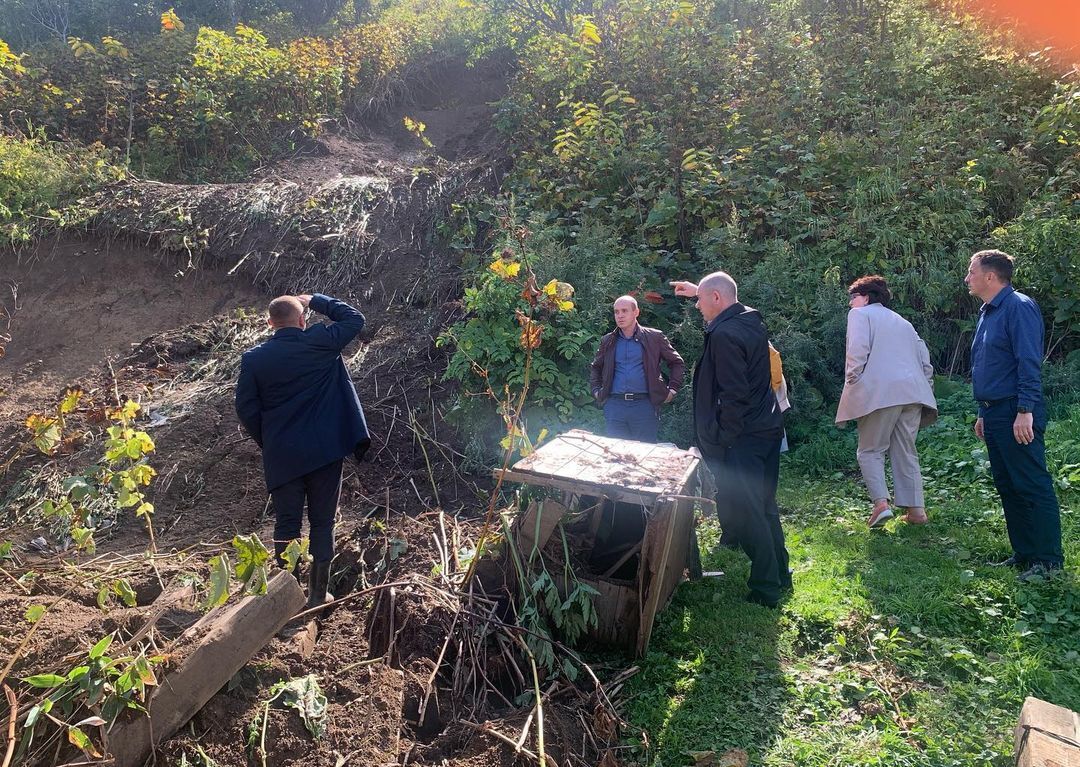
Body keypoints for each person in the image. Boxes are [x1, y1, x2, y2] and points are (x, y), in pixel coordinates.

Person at [235, 293, 371, 608]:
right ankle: (317, 596)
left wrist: (269, 440)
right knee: (323, 522)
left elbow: (245, 408)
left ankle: (287, 596)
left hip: (283, 453)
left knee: (287, 523)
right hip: (326, 450)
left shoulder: (255, 359)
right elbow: (355, 319)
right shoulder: (321, 341)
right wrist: (315, 299)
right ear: (302, 320)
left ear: (269, 324)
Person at [671, 273, 790, 607]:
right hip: (767, 430)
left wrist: (725, 439)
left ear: (717, 300)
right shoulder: (751, 321)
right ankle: (781, 575)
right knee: (764, 506)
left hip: (744, 439)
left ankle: (766, 589)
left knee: (747, 511)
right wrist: (701, 289)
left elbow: (734, 394)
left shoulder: (724, 334)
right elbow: (728, 298)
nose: (697, 307)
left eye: (701, 301)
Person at [965, 250, 1063, 579]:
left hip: (1015, 411)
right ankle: (1025, 554)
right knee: (1008, 485)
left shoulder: (1018, 307)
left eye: (971, 272)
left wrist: (1025, 410)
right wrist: (983, 411)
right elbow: (987, 365)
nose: (967, 279)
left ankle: (1048, 562)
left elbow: (1028, 362)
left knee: (1032, 484)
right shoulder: (987, 312)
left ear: (990, 276)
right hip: (993, 413)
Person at [835, 275, 938, 528]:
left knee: (870, 450)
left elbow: (857, 354)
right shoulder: (903, 321)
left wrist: (854, 384)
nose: (850, 304)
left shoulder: (860, 315)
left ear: (866, 297)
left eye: (853, 297)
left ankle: (881, 505)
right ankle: (917, 512)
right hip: (914, 393)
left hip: (879, 392)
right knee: (906, 451)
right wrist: (926, 386)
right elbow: (925, 361)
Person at [589, 295, 685, 443]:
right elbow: (596, 367)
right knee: (616, 455)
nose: (619, 315)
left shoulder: (654, 337)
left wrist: (672, 389)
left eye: (624, 311)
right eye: (616, 312)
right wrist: (596, 391)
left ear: (636, 312)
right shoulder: (608, 340)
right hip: (615, 406)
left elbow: (676, 362)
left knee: (645, 455)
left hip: (644, 406)